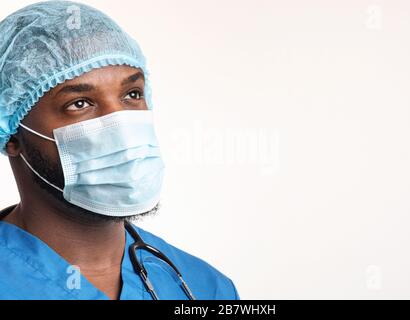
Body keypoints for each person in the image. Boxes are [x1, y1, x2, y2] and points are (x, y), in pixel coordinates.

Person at [0, 0, 239, 300]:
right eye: (79, 103)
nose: (120, 124)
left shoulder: (203, 286)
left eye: (132, 94)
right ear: (11, 132)